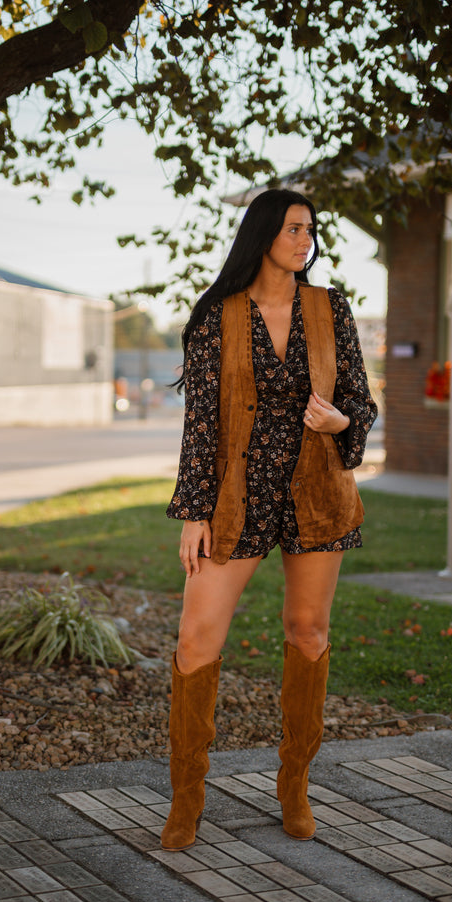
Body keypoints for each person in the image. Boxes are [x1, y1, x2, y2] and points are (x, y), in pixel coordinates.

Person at [162, 188, 378, 851]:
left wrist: (339, 421)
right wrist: (193, 511)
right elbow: (201, 424)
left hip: (317, 492)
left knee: (308, 629)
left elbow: (359, 402)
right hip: (238, 497)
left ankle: (294, 786)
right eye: (292, 228)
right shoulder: (216, 318)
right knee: (198, 637)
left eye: (309, 229)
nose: (303, 239)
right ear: (262, 235)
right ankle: (186, 802)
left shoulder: (329, 308)